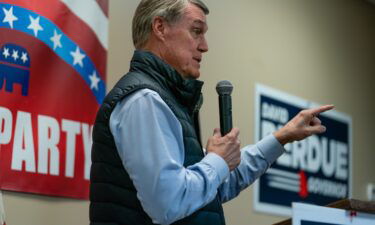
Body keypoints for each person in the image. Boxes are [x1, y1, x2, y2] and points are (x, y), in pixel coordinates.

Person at [89, 0, 334, 225]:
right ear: (160, 28)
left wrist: (282, 137)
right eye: (196, 31)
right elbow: (168, 203)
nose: (205, 47)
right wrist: (217, 161)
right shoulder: (144, 101)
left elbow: (213, 186)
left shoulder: (166, 100)